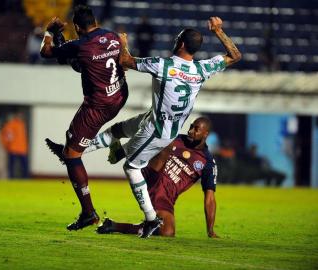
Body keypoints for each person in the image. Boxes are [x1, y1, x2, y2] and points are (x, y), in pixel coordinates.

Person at [86, 16, 241, 238]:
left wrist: (122, 42)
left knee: (131, 167)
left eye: (178, 38)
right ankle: (86, 150)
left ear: (181, 44)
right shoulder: (201, 69)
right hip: (162, 126)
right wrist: (218, 30)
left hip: (158, 129)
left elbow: (126, 61)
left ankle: (150, 219)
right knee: (120, 129)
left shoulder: (163, 65)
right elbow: (235, 55)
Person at [41, 5, 129, 231]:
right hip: (119, 96)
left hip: (98, 106)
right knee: (79, 63)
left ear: (78, 27)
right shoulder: (112, 36)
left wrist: (50, 32)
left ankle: (88, 213)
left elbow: (46, 52)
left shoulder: (80, 45)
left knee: (71, 156)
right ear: (95, 22)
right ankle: (71, 147)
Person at [92, 117, 218, 237]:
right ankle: (120, 151)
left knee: (167, 232)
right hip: (151, 174)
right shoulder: (177, 139)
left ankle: (113, 226)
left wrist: (210, 230)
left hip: (165, 196)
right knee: (165, 138)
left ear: (205, 134)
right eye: (191, 127)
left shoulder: (207, 163)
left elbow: (210, 198)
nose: (190, 131)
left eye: (196, 129)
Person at [0, 111, 29, 179]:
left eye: (21, 116)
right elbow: (5, 136)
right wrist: (6, 145)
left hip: (22, 149)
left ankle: (26, 178)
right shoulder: (11, 124)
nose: (21, 117)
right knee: (11, 166)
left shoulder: (22, 124)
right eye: (19, 116)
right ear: (16, 116)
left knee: (24, 165)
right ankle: (11, 178)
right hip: (13, 149)